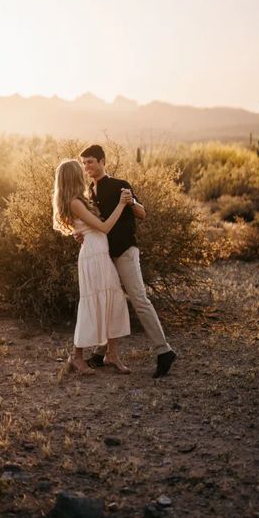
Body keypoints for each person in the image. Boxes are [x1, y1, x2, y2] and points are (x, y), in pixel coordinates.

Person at [78, 144, 177, 378]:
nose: (87, 167)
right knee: (109, 299)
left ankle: (164, 351)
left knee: (139, 299)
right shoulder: (88, 192)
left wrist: (131, 202)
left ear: (102, 161)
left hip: (125, 251)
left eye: (90, 161)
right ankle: (101, 353)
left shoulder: (119, 184)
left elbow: (142, 213)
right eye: (83, 163)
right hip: (104, 254)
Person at [53, 159, 132, 376]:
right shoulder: (75, 203)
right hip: (92, 257)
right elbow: (105, 227)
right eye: (80, 171)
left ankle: (112, 354)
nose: (84, 173)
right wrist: (122, 204)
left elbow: (87, 229)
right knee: (92, 304)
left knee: (113, 299)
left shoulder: (81, 200)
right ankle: (77, 357)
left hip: (100, 254)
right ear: (73, 177)